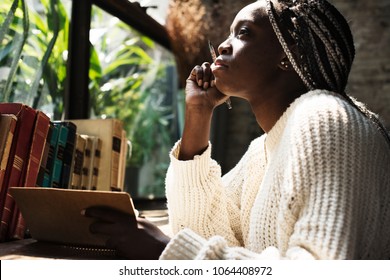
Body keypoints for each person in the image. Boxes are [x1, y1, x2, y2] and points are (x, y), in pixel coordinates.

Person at [84, 0, 390, 259]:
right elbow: (200, 232)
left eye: (243, 33)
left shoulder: (326, 118)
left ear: (288, 56)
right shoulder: (264, 149)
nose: (222, 45)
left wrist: (167, 250)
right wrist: (199, 114)